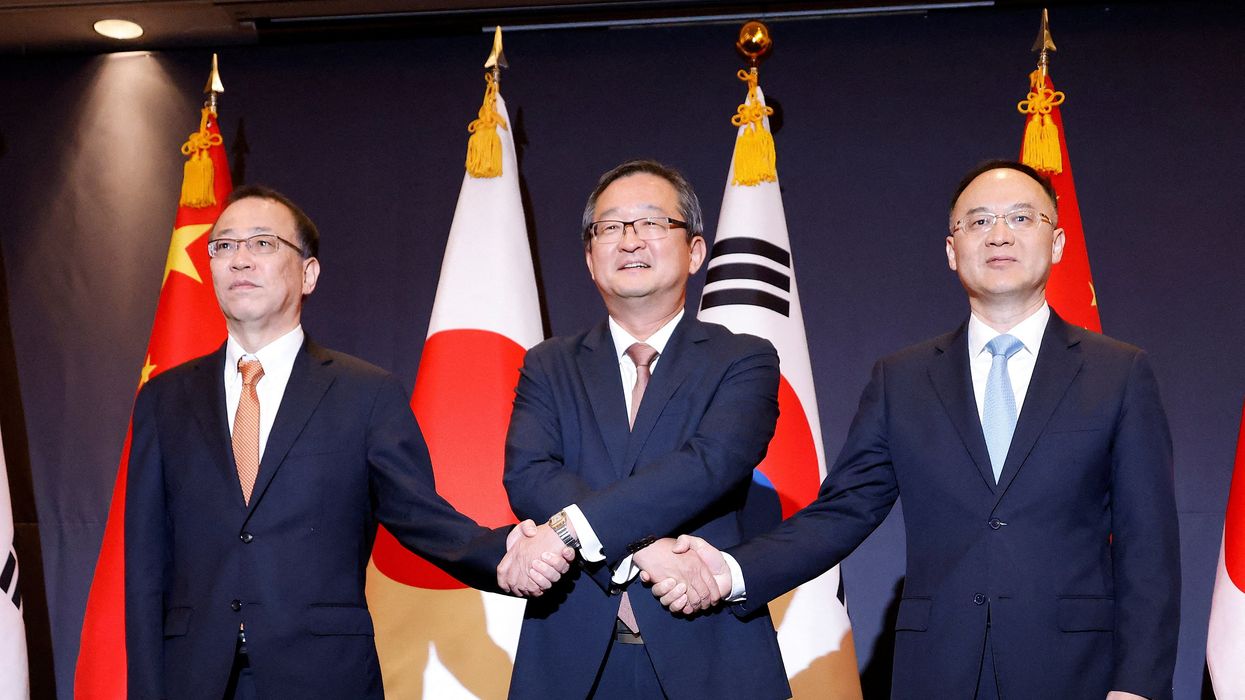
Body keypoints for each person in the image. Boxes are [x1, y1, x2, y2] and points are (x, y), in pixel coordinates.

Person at [655, 160, 1181, 700]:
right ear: (952, 250)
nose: (999, 235)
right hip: (937, 672)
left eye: (1021, 218)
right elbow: (843, 512)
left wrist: (1138, 686)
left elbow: (1149, 550)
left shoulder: (1118, 372)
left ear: (1058, 241)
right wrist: (731, 570)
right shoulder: (902, 379)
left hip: (1077, 673)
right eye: (977, 222)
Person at [124, 185, 571, 700]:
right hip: (193, 677)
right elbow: (145, 565)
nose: (239, 259)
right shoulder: (164, 399)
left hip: (322, 674)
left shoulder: (365, 393)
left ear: (309, 273)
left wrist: (506, 551)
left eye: (262, 243)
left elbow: (420, 516)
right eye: (223, 246)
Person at [498, 160, 791, 699]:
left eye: (653, 223)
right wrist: (642, 550)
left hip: (709, 650)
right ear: (590, 259)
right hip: (571, 654)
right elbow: (530, 474)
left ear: (696, 251)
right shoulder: (548, 364)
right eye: (610, 228)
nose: (630, 241)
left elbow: (710, 465)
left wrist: (591, 533)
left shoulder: (743, 359)